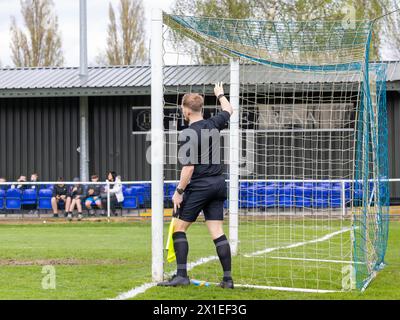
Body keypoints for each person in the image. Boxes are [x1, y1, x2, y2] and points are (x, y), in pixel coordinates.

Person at [157, 83, 234, 288]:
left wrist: (178, 192)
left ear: (186, 110)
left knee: (179, 229)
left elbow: (188, 169)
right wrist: (220, 95)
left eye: (183, 108)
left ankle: (181, 276)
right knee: (217, 230)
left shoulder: (187, 134)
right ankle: (227, 279)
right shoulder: (213, 123)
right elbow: (229, 110)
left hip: (201, 185)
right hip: (219, 184)